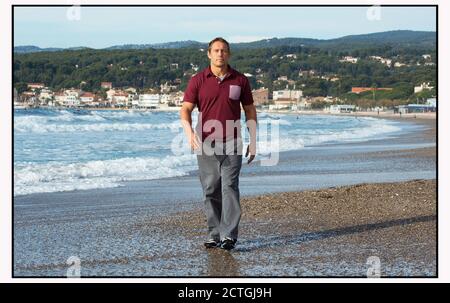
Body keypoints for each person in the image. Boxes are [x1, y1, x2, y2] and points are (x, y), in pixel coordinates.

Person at [180, 37, 257, 250]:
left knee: (230, 186)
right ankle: (214, 235)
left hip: (233, 141)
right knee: (211, 188)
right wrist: (188, 133)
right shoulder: (198, 80)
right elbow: (185, 109)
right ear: (209, 54)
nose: (220, 54)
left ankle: (229, 236)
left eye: (223, 50)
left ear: (229, 54)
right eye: (216, 50)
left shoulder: (240, 80)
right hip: (205, 143)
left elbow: (250, 110)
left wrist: (253, 140)